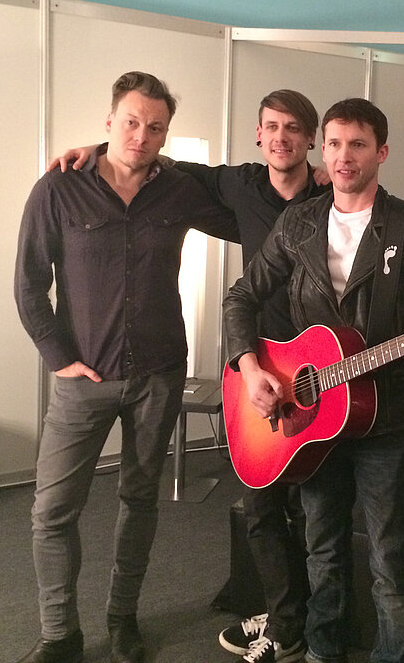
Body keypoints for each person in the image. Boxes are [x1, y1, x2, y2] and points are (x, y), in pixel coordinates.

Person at [52, 89, 328, 663]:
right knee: (260, 507)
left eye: (294, 128)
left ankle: (316, 627)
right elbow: (159, 160)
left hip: (322, 363)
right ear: (258, 134)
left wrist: (335, 171)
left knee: (319, 508)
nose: (281, 137)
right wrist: (97, 150)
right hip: (258, 363)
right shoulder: (238, 184)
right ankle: (286, 619)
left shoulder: (333, 195)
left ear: (310, 139)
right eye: (272, 127)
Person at [13, 71, 240, 663]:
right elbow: (29, 284)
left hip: (158, 375)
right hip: (83, 380)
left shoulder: (178, 190)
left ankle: (123, 619)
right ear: (109, 121)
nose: (141, 135)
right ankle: (60, 635)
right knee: (52, 512)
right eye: (132, 122)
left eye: (155, 127)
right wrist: (59, 359)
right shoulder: (59, 188)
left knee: (139, 500)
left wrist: (309, 179)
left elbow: (251, 219)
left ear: (166, 135)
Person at [222, 98, 404, 663]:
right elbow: (242, 296)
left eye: (358, 144)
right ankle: (322, 652)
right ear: (321, 150)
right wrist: (249, 367)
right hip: (312, 423)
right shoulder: (298, 222)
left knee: (391, 562)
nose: (344, 156)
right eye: (334, 143)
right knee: (321, 551)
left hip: (384, 420)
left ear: (382, 152)